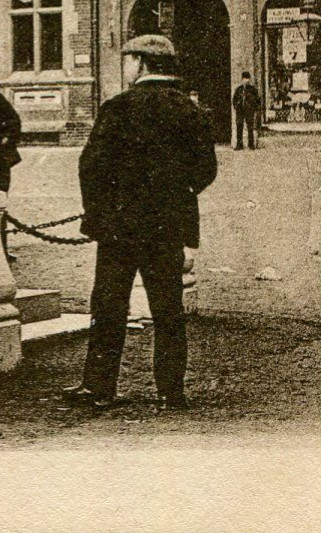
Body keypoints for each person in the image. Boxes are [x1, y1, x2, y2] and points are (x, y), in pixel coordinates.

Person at [66, 35, 217, 412]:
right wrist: (171, 194)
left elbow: (91, 166)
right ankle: (171, 392)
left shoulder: (118, 107)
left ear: (141, 63)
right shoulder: (190, 110)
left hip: (119, 226)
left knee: (109, 305)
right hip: (167, 226)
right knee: (168, 309)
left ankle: (99, 388)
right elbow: (205, 170)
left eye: (128, 59)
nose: (126, 66)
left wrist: (102, 211)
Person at [232, 71, 261, 151]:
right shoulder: (239, 89)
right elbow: (234, 100)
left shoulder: (253, 90)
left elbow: (257, 100)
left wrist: (254, 108)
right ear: (242, 79)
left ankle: (251, 144)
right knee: (239, 126)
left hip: (249, 110)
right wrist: (236, 106)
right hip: (240, 110)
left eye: (247, 79)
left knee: (250, 127)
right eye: (244, 79)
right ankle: (239, 144)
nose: (246, 80)